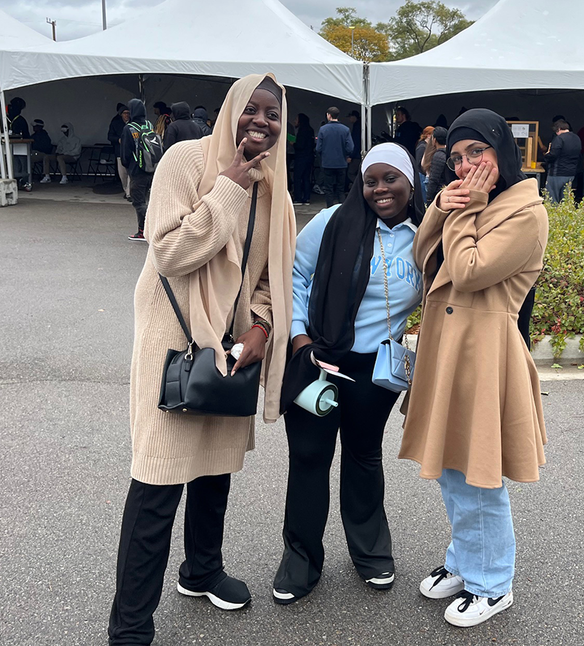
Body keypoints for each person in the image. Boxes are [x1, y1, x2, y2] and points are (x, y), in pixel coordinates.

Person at [107, 73, 295, 646]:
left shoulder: (276, 186)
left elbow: (266, 276)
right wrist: (229, 189)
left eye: (272, 114)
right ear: (230, 110)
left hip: (232, 347)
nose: (261, 122)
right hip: (174, 339)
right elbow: (169, 250)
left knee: (214, 467)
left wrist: (262, 326)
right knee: (159, 479)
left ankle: (201, 569)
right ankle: (131, 626)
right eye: (251, 109)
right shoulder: (186, 162)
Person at [400, 108, 548, 629]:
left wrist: (463, 213)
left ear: (501, 153)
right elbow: (425, 257)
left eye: (477, 154)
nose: (466, 167)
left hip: (485, 353)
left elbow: (467, 271)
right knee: (452, 468)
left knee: (479, 474)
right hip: (448, 348)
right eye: (456, 158)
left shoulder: (524, 213)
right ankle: (467, 562)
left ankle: (493, 584)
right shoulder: (467, 201)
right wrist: (442, 205)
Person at [273, 142, 424, 605]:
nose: (379, 189)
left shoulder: (424, 236)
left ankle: (371, 552)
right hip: (321, 359)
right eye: (370, 180)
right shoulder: (332, 221)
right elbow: (294, 276)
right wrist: (300, 339)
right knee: (310, 459)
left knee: (363, 457)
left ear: (410, 182)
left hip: (376, 369)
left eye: (390, 179)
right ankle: (301, 560)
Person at [121, 99, 157, 241]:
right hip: (151, 168)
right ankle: (150, 227)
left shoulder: (129, 128)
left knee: (138, 201)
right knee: (149, 199)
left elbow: (125, 154)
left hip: (137, 170)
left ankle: (144, 231)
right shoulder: (149, 125)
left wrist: (128, 166)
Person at [316, 106, 353, 208]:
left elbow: (318, 148)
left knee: (329, 188)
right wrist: (346, 155)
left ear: (329, 115)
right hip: (341, 163)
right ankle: (342, 209)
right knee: (341, 188)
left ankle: (330, 209)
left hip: (327, 163)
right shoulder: (345, 130)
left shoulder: (323, 129)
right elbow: (350, 147)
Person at [543, 120, 580, 203]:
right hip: (571, 173)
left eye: (556, 131)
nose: (556, 134)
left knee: (552, 199)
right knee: (565, 200)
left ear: (559, 129)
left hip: (557, 173)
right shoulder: (576, 138)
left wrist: (546, 155)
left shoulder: (559, 138)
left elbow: (553, 155)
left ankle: (553, 215)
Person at [108, 105, 131, 200]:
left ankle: (129, 193)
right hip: (120, 152)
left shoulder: (133, 123)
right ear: (121, 114)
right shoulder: (115, 123)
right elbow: (109, 136)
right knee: (122, 174)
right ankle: (126, 190)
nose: (127, 115)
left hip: (132, 152)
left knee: (131, 173)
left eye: (128, 113)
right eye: (125, 113)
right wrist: (118, 140)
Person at [292, 113, 315, 205]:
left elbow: (300, 146)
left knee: (297, 177)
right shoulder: (311, 130)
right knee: (306, 178)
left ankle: (298, 198)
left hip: (301, 157)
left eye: (296, 119)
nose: (295, 121)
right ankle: (307, 198)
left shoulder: (302, 131)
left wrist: (293, 144)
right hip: (309, 157)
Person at [7, 97, 31, 184]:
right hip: (12, 145)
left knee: (23, 163)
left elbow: (25, 134)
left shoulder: (20, 120)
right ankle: (16, 179)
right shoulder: (7, 119)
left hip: (22, 145)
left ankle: (25, 181)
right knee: (15, 162)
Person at [424, 126, 450, 204]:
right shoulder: (449, 153)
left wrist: (429, 198)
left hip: (439, 191)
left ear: (434, 140)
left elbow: (434, 179)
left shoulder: (438, 156)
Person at [415, 125, 434, 198]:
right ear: (428, 135)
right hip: (421, 176)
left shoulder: (424, 146)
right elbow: (418, 163)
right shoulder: (422, 147)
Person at [347, 109, 362, 188]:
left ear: (354, 117)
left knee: (350, 173)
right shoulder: (361, 125)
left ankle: (359, 186)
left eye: (350, 117)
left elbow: (355, 142)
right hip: (358, 153)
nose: (349, 119)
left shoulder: (357, 126)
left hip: (356, 155)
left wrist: (351, 156)